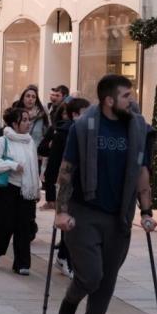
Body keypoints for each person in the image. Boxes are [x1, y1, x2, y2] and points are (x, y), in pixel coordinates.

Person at [54, 74, 157, 314]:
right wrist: (61, 211)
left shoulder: (137, 127)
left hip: (119, 216)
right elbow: (67, 171)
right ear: (109, 100)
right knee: (91, 275)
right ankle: (71, 299)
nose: (131, 99)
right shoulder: (84, 127)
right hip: (84, 210)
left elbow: (142, 171)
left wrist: (146, 212)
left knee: (107, 279)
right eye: (126, 96)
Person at [0, 107, 41, 275]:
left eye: (28, 119)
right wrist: (12, 165)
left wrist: (36, 188)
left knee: (25, 228)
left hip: (27, 191)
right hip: (9, 189)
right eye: (23, 120)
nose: (28, 123)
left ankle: (22, 264)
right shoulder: (3, 140)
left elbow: (34, 167)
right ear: (14, 123)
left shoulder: (30, 141)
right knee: (5, 226)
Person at [42, 98, 90, 278]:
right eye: (85, 112)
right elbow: (54, 164)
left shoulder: (89, 131)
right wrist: (51, 194)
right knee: (69, 224)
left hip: (82, 186)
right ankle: (65, 259)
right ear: (75, 114)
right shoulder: (63, 132)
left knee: (77, 226)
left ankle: (64, 256)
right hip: (67, 185)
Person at [13, 84, 50, 149]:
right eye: (28, 96)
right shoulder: (16, 113)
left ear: (36, 100)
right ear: (22, 98)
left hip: (36, 153)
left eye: (33, 97)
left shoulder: (42, 113)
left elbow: (48, 133)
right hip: (18, 150)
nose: (30, 99)